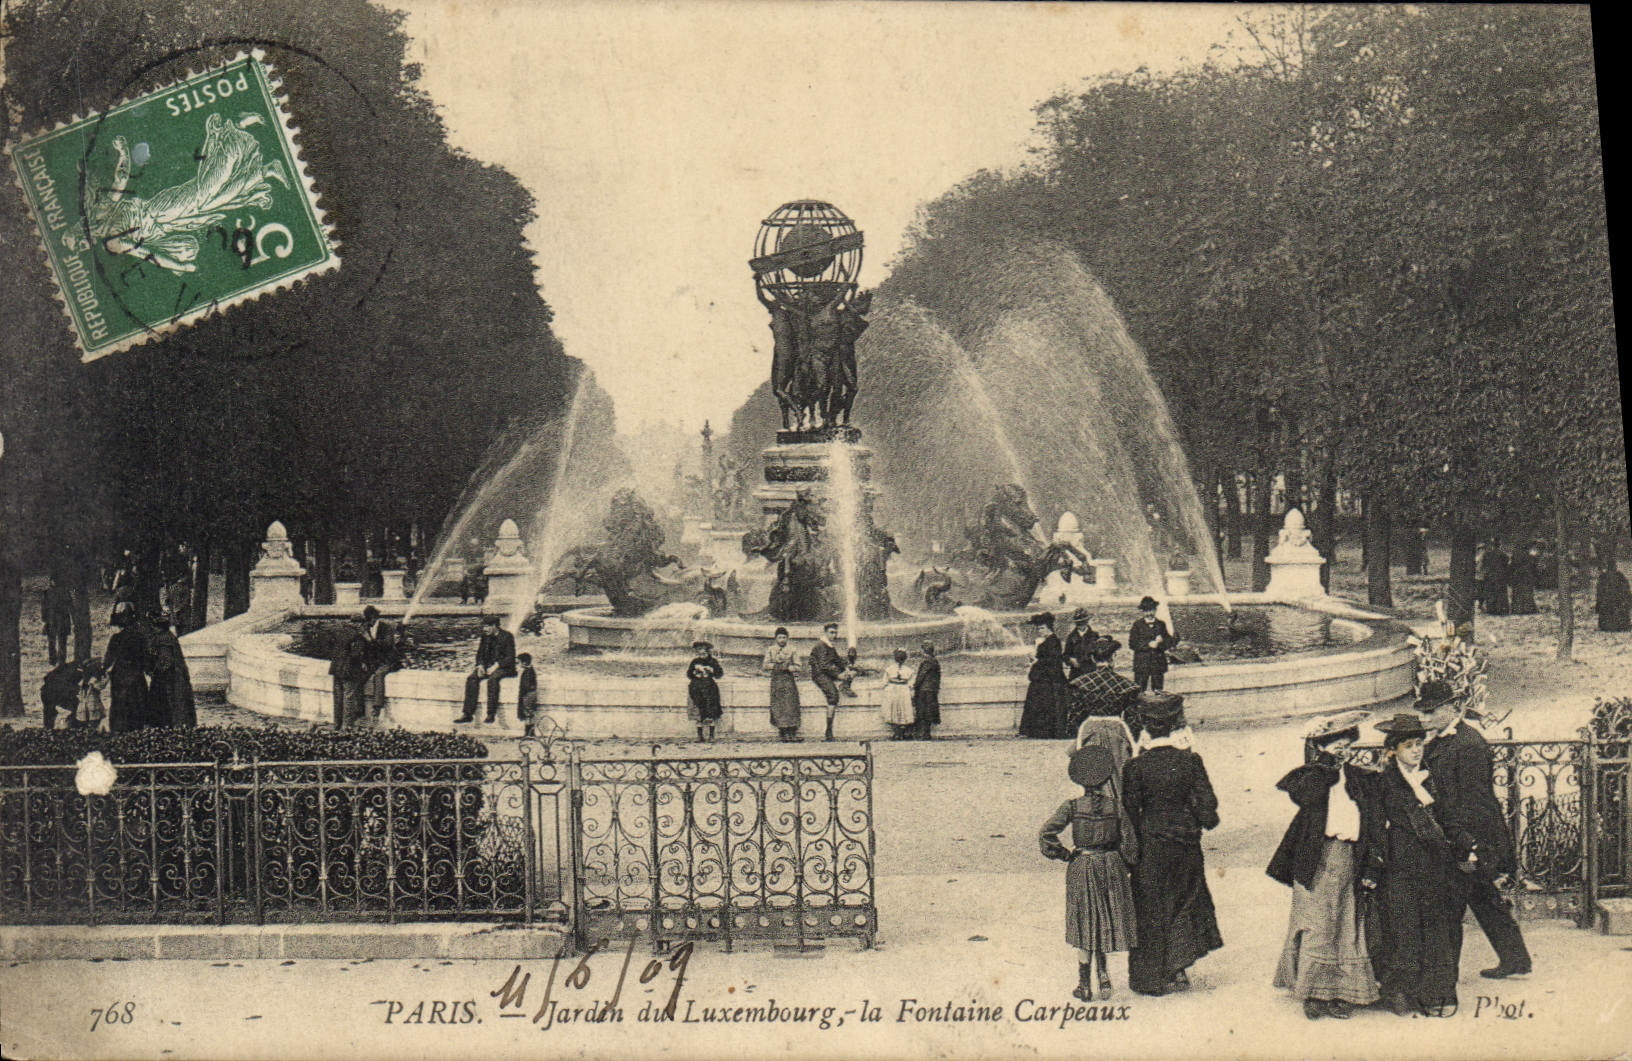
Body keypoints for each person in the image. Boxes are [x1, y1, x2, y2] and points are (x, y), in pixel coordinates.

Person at [1267, 710, 1382, 1020]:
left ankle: (1342, 993)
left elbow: (1371, 822)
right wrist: (1326, 766)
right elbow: (1306, 796)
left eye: (1347, 744)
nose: (1343, 751)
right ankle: (1314, 992)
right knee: (1318, 924)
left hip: (1350, 857)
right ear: (1321, 748)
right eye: (1336, 745)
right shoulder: (1312, 777)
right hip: (1317, 858)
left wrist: (1372, 865)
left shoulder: (1360, 778)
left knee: (1346, 925)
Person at [1417, 680, 1531, 980]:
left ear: (1451, 708)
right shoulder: (1441, 739)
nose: (1424, 719)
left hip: (1471, 835)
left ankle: (1441, 978)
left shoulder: (1468, 744)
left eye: (1430, 712)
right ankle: (1515, 959)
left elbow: (1475, 802)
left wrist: (1469, 847)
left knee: (1454, 905)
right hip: (1460, 834)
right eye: (1422, 712)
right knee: (1484, 899)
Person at [1122, 691, 1222, 996]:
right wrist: (1202, 818)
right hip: (1184, 841)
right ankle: (1178, 968)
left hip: (1150, 842)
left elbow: (1128, 810)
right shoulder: (1190, 761)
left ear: (1145, 726)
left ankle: (1151, 977)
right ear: (1177, 723)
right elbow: (1208, 806)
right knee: (1185, 899)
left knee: (1150, 905)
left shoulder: (1135, 767)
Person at [1370, 712, 1461, 1018]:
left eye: (1419, 743)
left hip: (1434, 864)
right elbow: (1376, 826)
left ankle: (1436, 991)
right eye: (1409, 745)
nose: (1417, 750)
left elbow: (1447, 817)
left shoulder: (1432, 776)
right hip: (1400, 865)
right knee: (1403, 928)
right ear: (1393, 749)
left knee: (1436, 927)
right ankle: (1400, 991)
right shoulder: (1384, 781)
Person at [1040, 744, 1139, 1002]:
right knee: (1104, 920)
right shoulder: (1116, 807)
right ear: (1106, 778)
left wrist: (1064, 854)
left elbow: (1046, 834)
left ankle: (1084, 985)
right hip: (1111, 866)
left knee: (1085, 923)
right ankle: (1104, 976)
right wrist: (1124, 865)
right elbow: (1130, 843)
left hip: (1083, 866)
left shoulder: (1072, 806)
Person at [1067, 636, 1136, 736]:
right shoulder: (1127, 685)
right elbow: (1133, 723)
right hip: (1116, 734)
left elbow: (1074, 720)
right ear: (1113, 657)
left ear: (1093, 658)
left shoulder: (1080, 684)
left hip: (1088, 734)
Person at [1018, 613, 1070, 738]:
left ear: (1049, 628)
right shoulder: (1049, 641)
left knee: (1044, 705)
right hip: (1044, 678)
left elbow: (1052, 661)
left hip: (1048, 680)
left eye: (1042, 628)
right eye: (1039, 628)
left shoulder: (1053, 641)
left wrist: (1036, 661)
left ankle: (1042, 731)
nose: (1039, 631)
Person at [460, 614, 517, 724]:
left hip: (504, 667)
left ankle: (491, 714)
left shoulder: (507, 636)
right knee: (472, 678)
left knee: (493, 680)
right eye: (484, 627)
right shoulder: (485, 637)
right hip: (487, 667)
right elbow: (480, 654)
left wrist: (496, 666)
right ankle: (467, 714)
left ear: (495, 626)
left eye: (487, 626)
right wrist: (480, 665)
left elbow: (510, 657)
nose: (484, 629)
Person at [103, 604, 149, 733]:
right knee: (137, 702)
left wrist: (103, 669)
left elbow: (108, 659)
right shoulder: (140, 637)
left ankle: (120, 729)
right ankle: (136, 729)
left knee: (120, 703)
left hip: (120, 674)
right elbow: (145, 657)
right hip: (136, 673)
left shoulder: (116, 638)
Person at [146, 612, 196, 728]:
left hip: (169, 678)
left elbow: (166, 661)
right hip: (176, 675)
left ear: (158, 627)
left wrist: (155, 672)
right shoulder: (169, 636)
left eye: (154, 627)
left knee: (168, 703)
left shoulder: (163, 639)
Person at [809, 622, 853, 742]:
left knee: (852, 673)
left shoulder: (829, 645)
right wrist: (839, 675)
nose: (834, 635)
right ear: (825, 633)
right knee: (833, 696)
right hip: (819, 674)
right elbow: (824, 665)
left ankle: (845, 687)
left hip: (827, 672)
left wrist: (846, 668)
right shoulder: (821, 646)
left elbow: (837, 660)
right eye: (831, 632)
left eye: (835, 632)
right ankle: (829, 730)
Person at [330, 614, 370, 728]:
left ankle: (337, 724)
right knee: (349, 697)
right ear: (359, 624)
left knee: (338, 697)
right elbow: (355, 654)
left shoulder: (340, 632)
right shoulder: (358, 636)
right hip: (349, 670)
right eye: (364, 624)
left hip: (336, 668)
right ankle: (347, 726)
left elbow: (330, 647)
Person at [764, 627, 802, 741]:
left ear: (787, 638)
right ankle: (783, 731)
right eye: (780, 637)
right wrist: (776, 666)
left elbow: (799, 666)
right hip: (776, 680)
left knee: (791, 704)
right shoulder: (771, 650)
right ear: (775, 638)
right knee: (779, 705)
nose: (782, 640)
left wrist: (791, 668)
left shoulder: (792, 650)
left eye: (784, 637)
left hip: (788, 680)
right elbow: (765, 665)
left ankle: (792, 732)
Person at [1129, 597, 1175, 692]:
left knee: (1158, 690)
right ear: (1142, 611)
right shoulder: (1137, 625)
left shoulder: (1161, 624)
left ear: (1155, 610)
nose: (1149, 613)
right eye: (1146, 610)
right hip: (1142, 663)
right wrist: (1148, 645)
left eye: (1152, 610)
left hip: (1157, 663)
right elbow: (1132, 644)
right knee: (1139, 690)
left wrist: (1161, 642)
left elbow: (1168, 641)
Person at [360, 605, 396, 721]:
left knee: (379, 675)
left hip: (387, 660)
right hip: (373, 661)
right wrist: (363, 662)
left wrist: (370, 640)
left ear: (374, 618)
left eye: (369, 619)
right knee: (358, 674)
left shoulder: (386, 628)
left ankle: (377, 707)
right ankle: (359, 708)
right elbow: (363, 647)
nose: (368, 622)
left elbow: (387, 645)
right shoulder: (365, 627)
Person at [686, 640, 724, 742]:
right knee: (698, 712)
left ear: (708, 652)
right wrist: (695, 672)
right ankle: (700, 736)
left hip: (710, 689)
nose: (701, 654)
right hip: (696, 689)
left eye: (703, 652)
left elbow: (719, 674)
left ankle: (711, 736)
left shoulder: (713, 661)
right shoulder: (694, 661)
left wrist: (712, 670)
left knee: (711, 711)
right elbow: (689, 675)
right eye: (699, 652)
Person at [880, 648, 915, 739]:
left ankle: (898, 733)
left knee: (895, 710)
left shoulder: (889, 669)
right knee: (902, 710)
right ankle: (900, 733)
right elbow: (911, 684)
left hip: (893, 689)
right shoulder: (909, 670)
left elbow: (884, 682)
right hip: (903, 690)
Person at [911, 641, 941, 740]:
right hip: (931, 690)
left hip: (924, 690)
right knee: (929, 712)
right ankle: (926, 733)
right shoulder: (935, 661)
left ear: (925, 651)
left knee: (923, 712)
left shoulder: (927, 661)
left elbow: (921, 676)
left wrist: (915, 686)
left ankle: (924, 734)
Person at [41, 574, 73, 667]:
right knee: (52, 641)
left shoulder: (64, 592)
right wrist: (45, 619)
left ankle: (61, 659)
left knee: (62, 641)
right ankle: (53, 659)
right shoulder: (47, 593)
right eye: (53, 581)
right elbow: (44, 607)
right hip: (51, 620)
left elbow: (69, 606)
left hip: (62, 619)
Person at [40, 660, 80, 730]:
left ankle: (49, 727)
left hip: (49, 691)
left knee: (49, 711)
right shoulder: (73, 672)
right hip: (52, 692)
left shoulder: (69, 668)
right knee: (76, 705)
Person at [1063, 608, 1099, 680]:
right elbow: (1065, 655)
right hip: (1076, 673)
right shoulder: (1071, 637)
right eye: (1078, 623)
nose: (1081, 625)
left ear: (1087, 621)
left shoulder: (1094, 635)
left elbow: (1099, 653)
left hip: (1091, 672)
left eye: (1083, 622)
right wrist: (1071, 660)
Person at [1596, 560, 1631, 632]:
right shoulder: (1620, 576)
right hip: (1617, 606)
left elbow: (1599, 594)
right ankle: (1619, 625)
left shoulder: (1603, 577)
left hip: (1609, 607)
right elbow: (1626, 590)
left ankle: (1609, 626)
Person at [1479, 540, 1511, 615]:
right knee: (1500, 592)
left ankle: (1491, 609)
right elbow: (1506, 563)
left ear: (1492, 545)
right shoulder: (1503, 554)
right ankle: (1501, 609)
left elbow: (1484, 564)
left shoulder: (1487, 554)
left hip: (1490, 575)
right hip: (1500, 576)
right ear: (1500, 545)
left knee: (1491, 592)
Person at [77, 661, 108, 732]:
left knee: (88, 725)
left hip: (84, 707)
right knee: (93, 724)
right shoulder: (92, 680)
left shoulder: (83, 681)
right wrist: (106, 677)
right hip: (92, 705)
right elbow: (100, 686)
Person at [1508, 544, 1539, 615]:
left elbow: (1511, 567)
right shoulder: (1531, 557)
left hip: (1518, 576)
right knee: (1527, 592)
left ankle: (1517, 609)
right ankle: (1528, 608)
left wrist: (1510, 577)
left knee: (1517, 593)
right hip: (1527, 576)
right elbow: (1534, 567)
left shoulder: (1515, 556)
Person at [516, 652, 539, 733]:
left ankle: (528, 732)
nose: (518, 664)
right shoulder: (531, 670)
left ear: (524, 663)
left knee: (527, 714)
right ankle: (530, 732)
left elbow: (526, 685)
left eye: (519, 662)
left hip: (528, 695)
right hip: (532, 694)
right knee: (530, 713)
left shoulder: (527, 672)